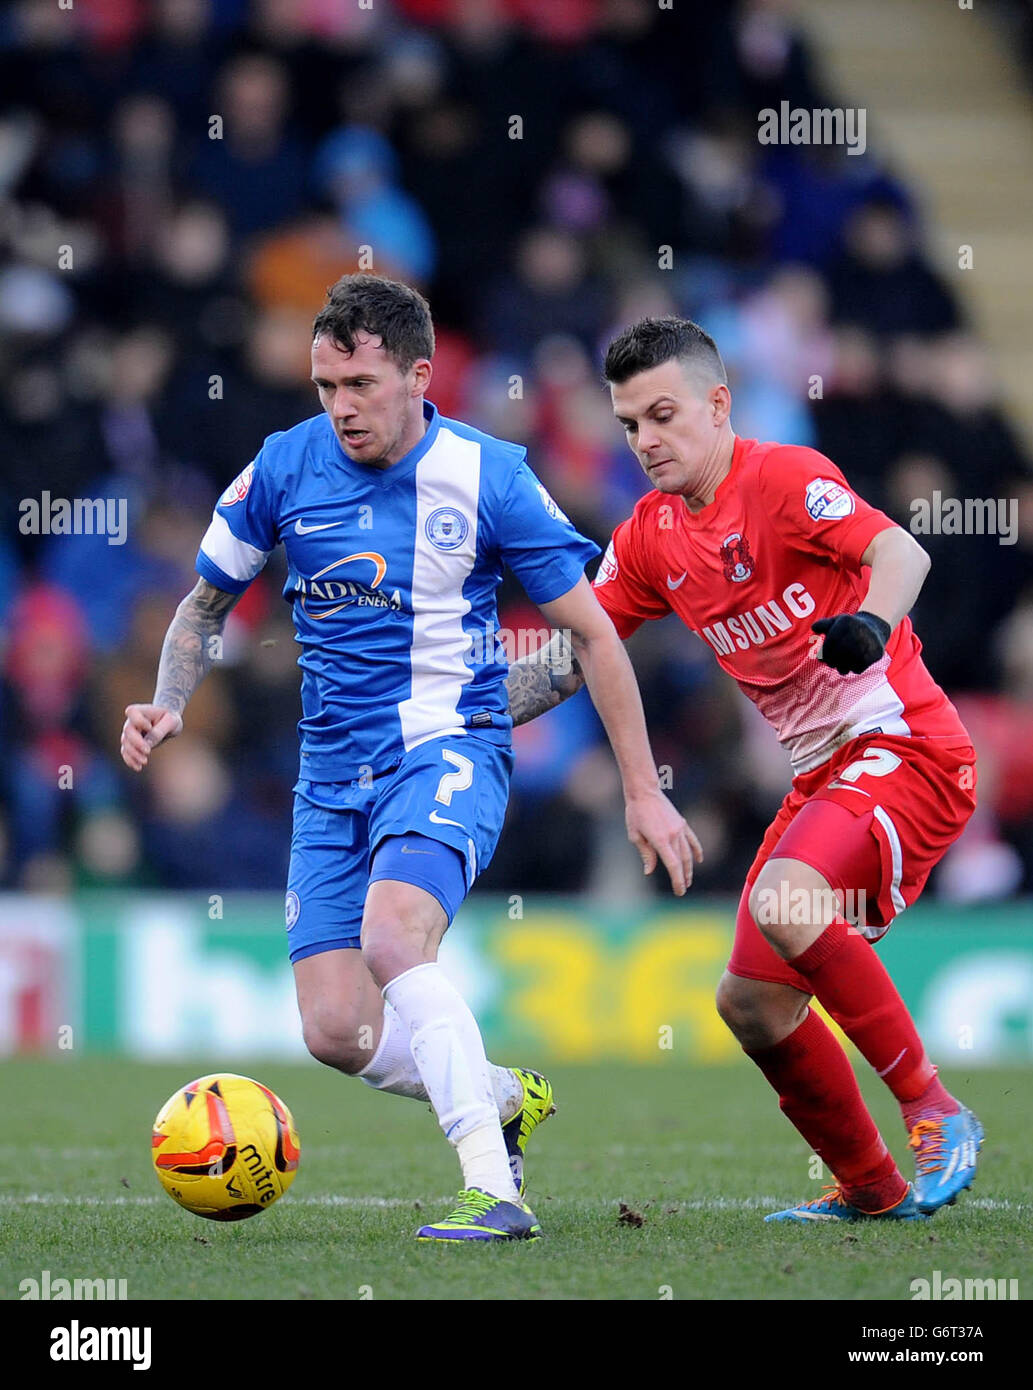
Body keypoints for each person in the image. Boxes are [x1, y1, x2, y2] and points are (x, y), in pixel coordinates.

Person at [120, 276, 697, 1243]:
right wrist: (169, 701)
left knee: (395, 943)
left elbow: (595, 635)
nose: (340, 405)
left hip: (448, 750)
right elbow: (203, 606)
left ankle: (494, 1191)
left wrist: (643, 789)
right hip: (327, 780)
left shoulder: (490, 474)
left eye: (359, 383)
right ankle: (499, 1095)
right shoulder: (281, 467)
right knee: (334, 1033)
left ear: (419, 376)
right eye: (323, 386)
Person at [507, 315, 982, 1223]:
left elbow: (901, 550)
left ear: (718, 405)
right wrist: (453, 712)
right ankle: (873, 1189)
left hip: (904, 747)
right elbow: (578, 652)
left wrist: (872, 625)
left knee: (782, 899)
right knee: (750, 1005)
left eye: (662, 415)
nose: (646, 441)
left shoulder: (783, 478)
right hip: (821, 778)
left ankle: (934, 1109)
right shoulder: (648, 537)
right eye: (628, 425)